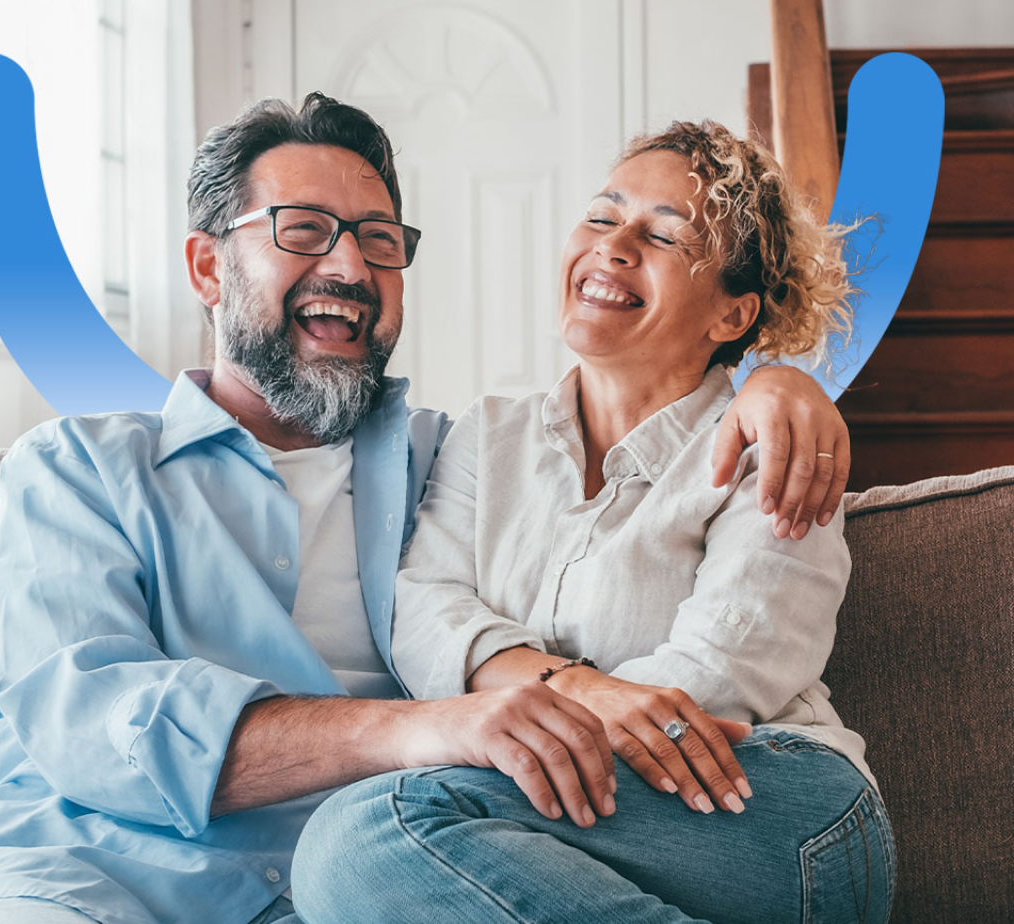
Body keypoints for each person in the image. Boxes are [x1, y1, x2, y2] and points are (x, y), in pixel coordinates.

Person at [0, 97, 852, 924]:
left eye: (377, 242)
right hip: (69, 876)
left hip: (356, 882)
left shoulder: (446, 456)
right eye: (302, 231)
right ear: (210, 268)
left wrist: (777, 386)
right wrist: (429, 728)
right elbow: (98, 723)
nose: (348, 267)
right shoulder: (75, 471)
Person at [290, 121, 895, 924]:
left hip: (765, 796)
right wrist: (574, 689)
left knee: (368, 831)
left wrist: (527, 711)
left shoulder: (769, 443)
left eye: (664, 235)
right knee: (364, 850)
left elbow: (717, 676)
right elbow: (427, 609)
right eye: (604, 217)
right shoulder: (490, 432)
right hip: (578, 804)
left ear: (731, 313)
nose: (614, 246)